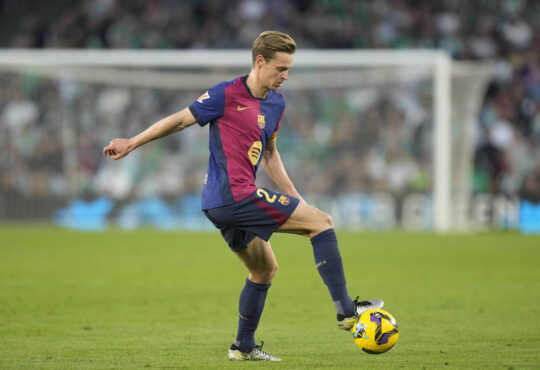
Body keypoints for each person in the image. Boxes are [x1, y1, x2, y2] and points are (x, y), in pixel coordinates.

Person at [103, 30, 383, 362]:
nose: (285, 77)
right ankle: (346, 311)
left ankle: (243, 346)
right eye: (280, 69)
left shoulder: (276, 104)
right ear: (260, 62)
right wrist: (132, 142)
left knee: (264, 270)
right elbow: (180, 120)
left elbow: (270, 155)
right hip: (234, 197)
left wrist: (295, 197)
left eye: (289, 69)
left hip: (221, 205)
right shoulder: (226, 94)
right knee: (322, 223)